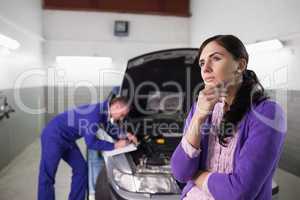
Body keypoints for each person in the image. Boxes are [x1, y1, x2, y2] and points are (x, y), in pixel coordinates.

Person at [171, 35, 286, 200]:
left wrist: (195, 176)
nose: (205, 69)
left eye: (215, 58)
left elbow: (239, 192)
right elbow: (180, 172)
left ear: (240, 65)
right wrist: (198, 117)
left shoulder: (268, 113)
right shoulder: (200, 107)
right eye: (202, 63)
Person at [38, 96, 137, 200]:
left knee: (81, 169)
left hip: (67, 139)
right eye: (122, 115)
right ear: (116, 106)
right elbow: (91, 143)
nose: (121, 119)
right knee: (47, 175)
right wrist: (115, 145)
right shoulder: (94, 114)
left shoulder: (103, 110)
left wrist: (126, 135)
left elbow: (108, 126)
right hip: (53, 136)